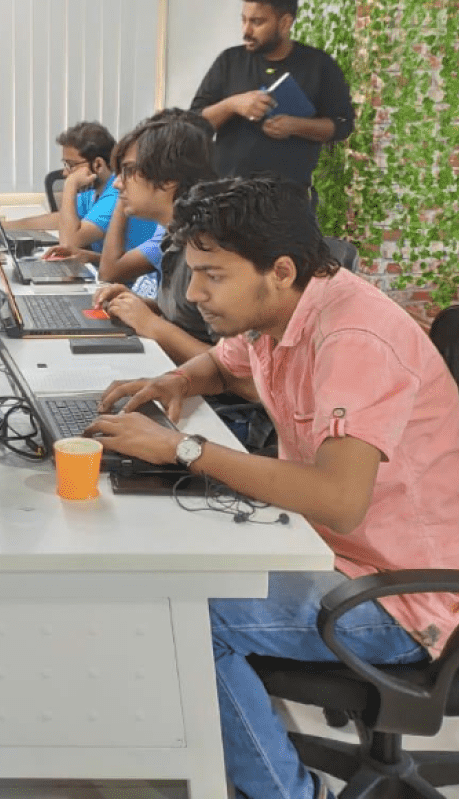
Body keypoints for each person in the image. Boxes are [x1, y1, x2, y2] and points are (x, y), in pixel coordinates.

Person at [87, 176, 459, 799]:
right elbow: (224, 364)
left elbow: (340, 501)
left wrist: (183, 449)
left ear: (280, 270)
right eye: (193, 272)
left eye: (212, 275)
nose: (194, 293)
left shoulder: (354, 339)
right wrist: (178, 381)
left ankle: (287, 793)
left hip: (401, 595)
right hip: (328, 548)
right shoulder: (287, 307)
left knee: (183, 610)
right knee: (167, 563)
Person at [190, 0, 354, 190]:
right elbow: (194, 124)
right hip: (226, 195)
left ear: (285, 23)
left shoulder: (318, 65)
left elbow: (342, 125)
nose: (246, 31)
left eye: (256, 22)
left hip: (289, 199)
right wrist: (232, 105)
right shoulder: (229, 61)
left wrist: (296, 126)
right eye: (243, 20)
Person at [92, 109, 217, 364]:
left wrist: (150, 323)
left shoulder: (209, 249)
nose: (117, 183)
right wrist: (139, 306)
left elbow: (238, 368)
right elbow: (190, 320)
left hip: (201, 388)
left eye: (128, 171)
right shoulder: (173, 236)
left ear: (168, 179)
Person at [5, 121, 157, 261]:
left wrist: (70, 184)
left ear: (98, 165)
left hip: (130, 279)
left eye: (71, 165)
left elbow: (69, 242)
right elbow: (60, 219)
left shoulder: (117, 194)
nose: (65, 173)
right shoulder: (93, 192)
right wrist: (5, 226)